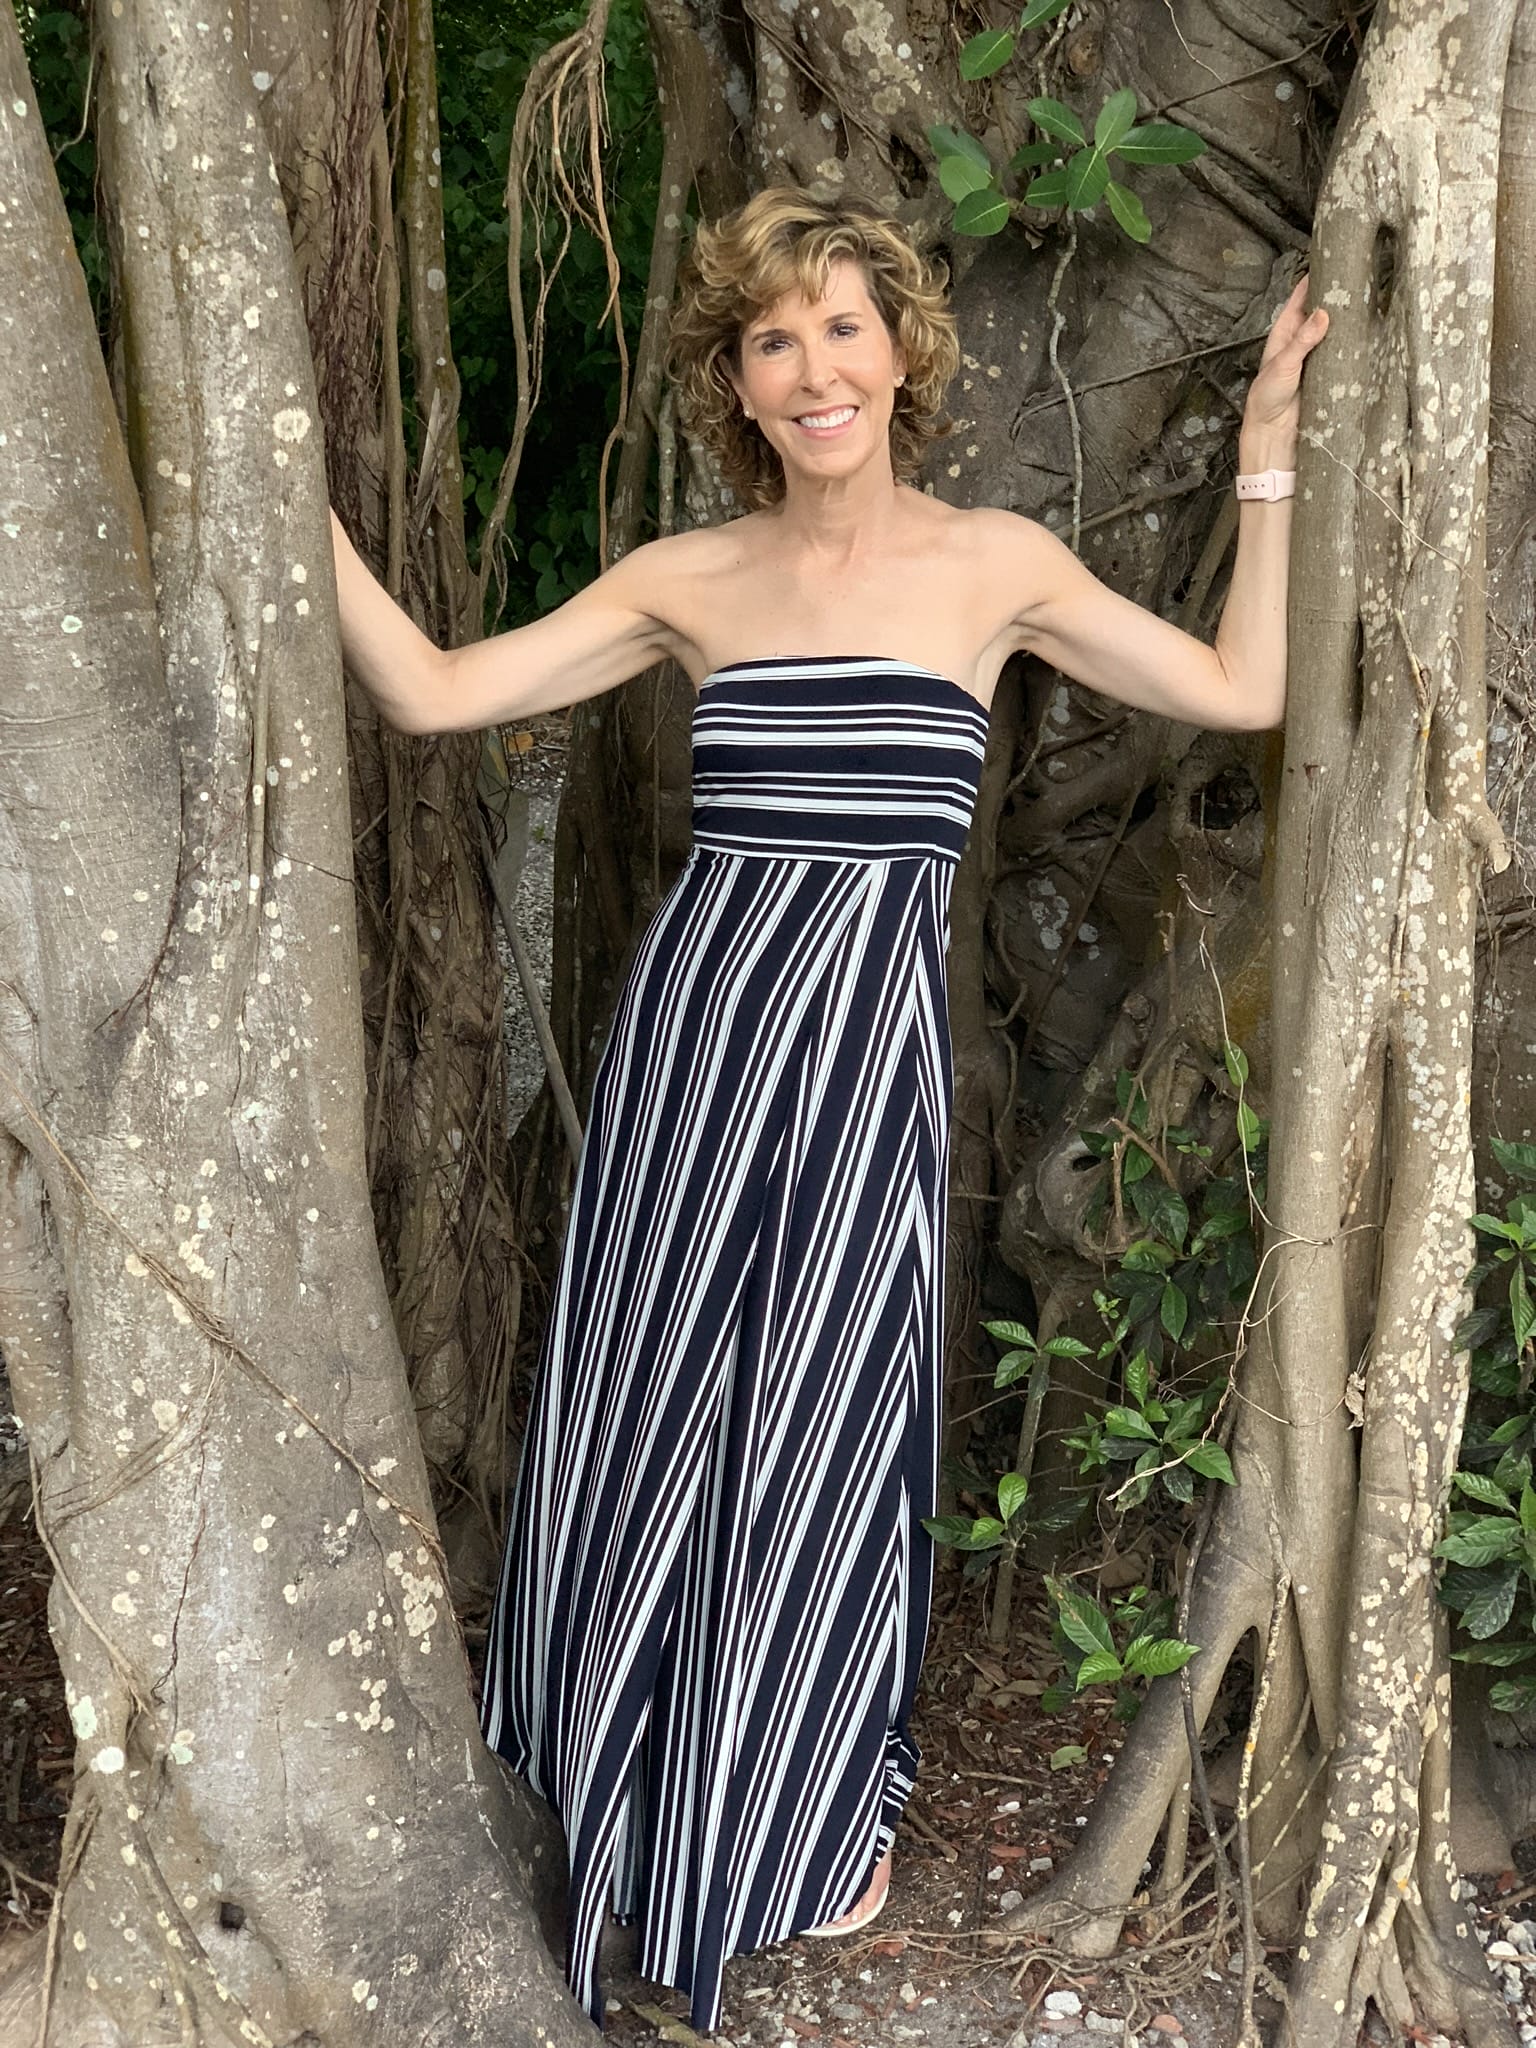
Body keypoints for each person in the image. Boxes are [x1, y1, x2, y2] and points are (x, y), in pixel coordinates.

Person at [329, 186, 1328, 2034]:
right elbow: (433, 691)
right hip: (695, 1049)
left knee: (831, 1415)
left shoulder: (996, 563)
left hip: (865, 1057)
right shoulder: (684, 581)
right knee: (653, 1405)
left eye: (843, 331)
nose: (814, 370)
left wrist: (1264, 460)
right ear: (738, 380)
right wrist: (274, 492)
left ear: (902, 354)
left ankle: (798, 1810)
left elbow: (1241, 687)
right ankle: (622, 1770)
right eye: (774, 341)